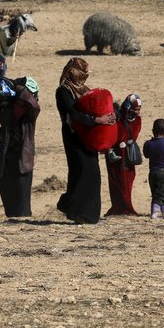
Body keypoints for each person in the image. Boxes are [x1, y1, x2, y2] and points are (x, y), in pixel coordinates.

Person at [55, 58, 115, 224]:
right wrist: (97, 121)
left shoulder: (84, 90)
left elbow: (93, 105)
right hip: (73, 135)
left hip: (89, 135)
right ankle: (77, 212)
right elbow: (74, 113)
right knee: (81, 171)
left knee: (92, 172)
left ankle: (83, 212)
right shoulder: (64, 91)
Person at [0, 76, 40, 217]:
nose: (21, 107)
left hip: (23, 162)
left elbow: (34, 106)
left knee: (22, 205)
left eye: (23, 104)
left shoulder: (30, 117)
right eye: (18, 103)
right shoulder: (6, 112)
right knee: (9, 201)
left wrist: (17, 88)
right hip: (5, 161)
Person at [104, 94, 142, 217]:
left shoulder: (137, 120)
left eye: (138, 110)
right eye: (135, 109)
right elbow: (110, 135)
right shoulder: (117, 119)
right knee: (115, 182)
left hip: (127, 156)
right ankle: (118, 208)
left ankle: (126, 208)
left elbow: (133, 135)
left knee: (127, 183)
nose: (136, 112)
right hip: (115, 155)